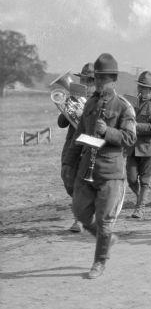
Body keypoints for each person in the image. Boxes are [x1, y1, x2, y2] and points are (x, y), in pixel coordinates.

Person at [62, 53, 137, 279]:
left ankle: (99, 261)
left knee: (104, 220)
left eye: (104, 79)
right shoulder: (91, 103)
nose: (99, 83)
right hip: (87, 169)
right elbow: (79, 133)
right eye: (97, 79)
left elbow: (130, 138)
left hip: (110, 172)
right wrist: (68, 162)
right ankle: (106, 239)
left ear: (113, 79)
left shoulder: (124, 106)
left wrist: (108, 132)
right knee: (80, 211)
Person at [58, 62, 96, 232]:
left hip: (88, 145)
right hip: (71, 145)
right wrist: (66, 105)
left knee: (82, 182)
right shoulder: (74, 98)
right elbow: (61, 123)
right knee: (68, 179)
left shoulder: (98, 100)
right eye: (84, 80)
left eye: (89, 81)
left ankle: (79, 219)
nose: (86, 84)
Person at [125, 71, 151, 219]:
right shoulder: (130, 103)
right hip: (132, 148)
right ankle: (141, 198)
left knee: (145, 181)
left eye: (143, 87)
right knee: (131, 179)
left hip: (150, 149)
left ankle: (140, 208)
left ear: (150, 89)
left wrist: (136, 126)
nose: (140, 89)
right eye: (139, 86)